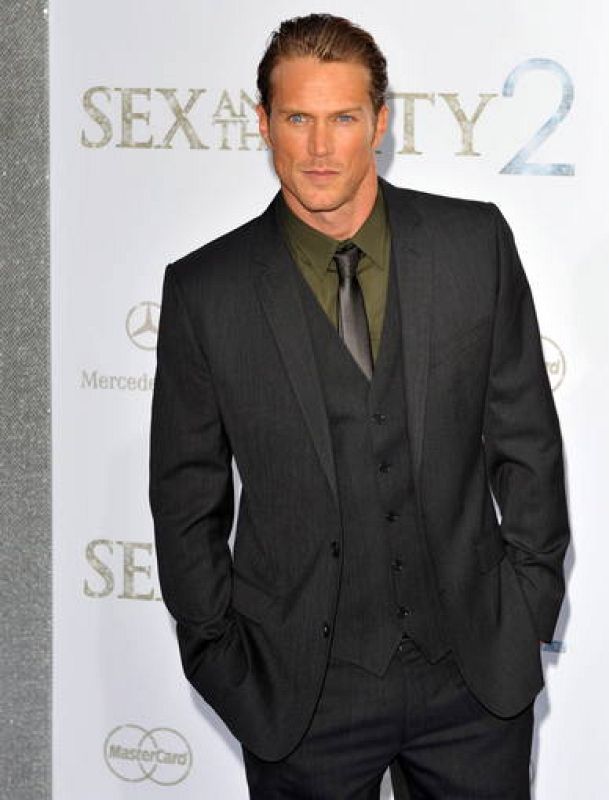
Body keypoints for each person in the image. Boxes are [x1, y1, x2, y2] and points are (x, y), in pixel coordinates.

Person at [149, 13, 570, 799]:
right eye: (297, 119)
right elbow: (184, 502)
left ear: (379, 124)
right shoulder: (207, 292)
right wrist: (225, 662)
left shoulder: (471, 244)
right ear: (262, 123)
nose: (318, 147)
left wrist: (526, 611)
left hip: (473, 682)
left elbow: (528, 446)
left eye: (342, 118)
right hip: (299, 695)